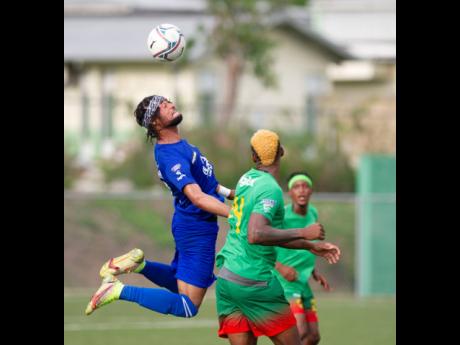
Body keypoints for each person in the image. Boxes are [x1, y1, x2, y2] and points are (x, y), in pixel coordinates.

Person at [85, 95, 234, 319]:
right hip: (196, 229)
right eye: (164, 106)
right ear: (155, 123)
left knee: (179, 283)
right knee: (188, 306)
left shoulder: (182, 146)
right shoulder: (169, 155)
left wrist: (232, 194)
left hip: (191, 225)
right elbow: (197, 197)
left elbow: (208, 184)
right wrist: (237, 215)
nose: (171, 105)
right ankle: (118, 290)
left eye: (169, 102)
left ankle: (139, 265)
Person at [215, 129, 341, 345]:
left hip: (228, 280)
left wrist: (309, 246)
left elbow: (269, 233)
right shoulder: (270, 189)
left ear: (254, 157)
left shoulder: (247, 178)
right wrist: (304, 232)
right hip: (254, 282)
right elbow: (256, 234)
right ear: (281, 151)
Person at [274, 171, 331, 345]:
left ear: (311, 191)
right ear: (290, 192)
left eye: (305, 186)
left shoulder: (313, 213)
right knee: (299, 333)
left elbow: (306, 247)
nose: (302, 190)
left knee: (313, 337)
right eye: (296, 187)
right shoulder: (281, 215)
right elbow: (264, 242)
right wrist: (281, 268)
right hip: (286, 281)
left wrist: (313, 272)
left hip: (303, 281)